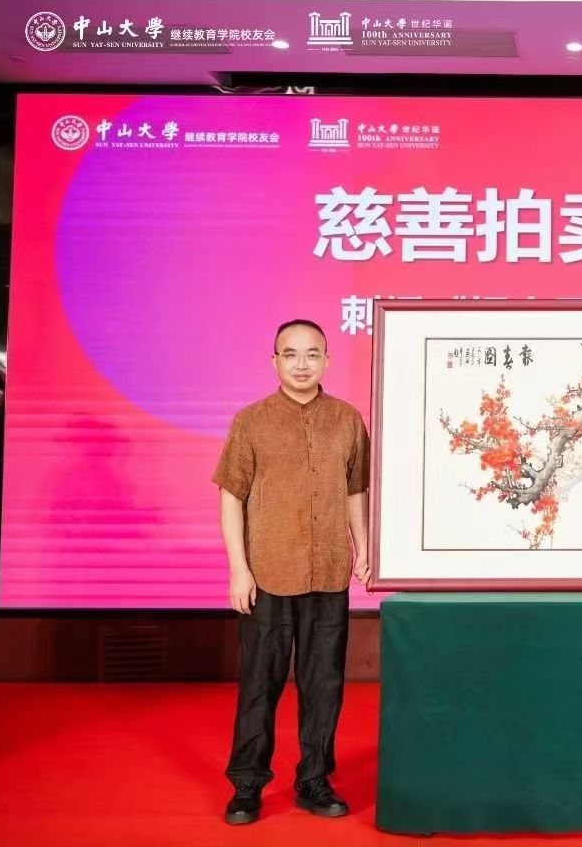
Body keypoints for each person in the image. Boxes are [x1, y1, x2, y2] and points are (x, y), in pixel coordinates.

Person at [212, 319, 371, 825]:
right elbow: (230, 497)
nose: (302, 364)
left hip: (329, 571)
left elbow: (355, 492)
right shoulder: (251, 421)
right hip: (268, 574)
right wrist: (239, 570)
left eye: (312, 354)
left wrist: (364, 547)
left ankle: (314, 780)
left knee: (323, 683)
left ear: (327, 360)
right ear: (275, 361)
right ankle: (246, 785)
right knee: (260, 684)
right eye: (290, 354)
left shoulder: (347, 420)